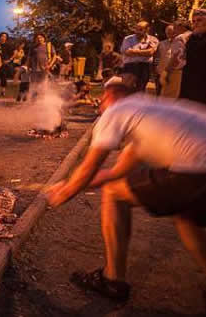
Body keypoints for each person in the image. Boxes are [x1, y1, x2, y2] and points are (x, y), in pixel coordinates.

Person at [45, 82, 206, 303]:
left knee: (113, 193)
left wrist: (63, 194)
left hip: (196, 171)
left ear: (111, 96)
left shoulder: (117, 111)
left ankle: (112, 280)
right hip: (198, 168)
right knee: (186, 216)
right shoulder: (148, 111)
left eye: (102, 99)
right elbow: (113, 172)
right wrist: (71, 183)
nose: (100, 105)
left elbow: (90, 166)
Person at [120, 21, 158, 92]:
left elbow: (150, 52)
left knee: (141, 89)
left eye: (140, 29)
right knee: (127, 88)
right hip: (130, 66)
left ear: (147, 30)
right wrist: (144, 52)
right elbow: (127, 52)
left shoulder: (153, 40)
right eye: (136, 29)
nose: (137, 31)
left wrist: (134, 51)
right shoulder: (128, 39)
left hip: (145, 67)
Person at [179, 9, 206, 105]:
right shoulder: (192, 38)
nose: (196, 23)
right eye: (193, 21)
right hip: (189, 80)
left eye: (199, 20)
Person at [160, 19, 190, 99]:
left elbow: (177, 57)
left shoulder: (180, 38)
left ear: (181, 26)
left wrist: (166, 71)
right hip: (190, 72)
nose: (174, 30)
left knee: (168, 97)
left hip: (177, 71)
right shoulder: (193, 35)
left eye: (175, 27)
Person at [27, 33, 55, 98]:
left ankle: (43, 99)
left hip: (45, 68)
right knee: (34, 84)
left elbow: (54, 56)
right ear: (35, 39)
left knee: (43, 83)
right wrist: (28, 67)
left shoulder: (49, 46)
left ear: (44, 38)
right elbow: (29, 58)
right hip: (34, 68)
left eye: (41, 37)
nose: (39, 39)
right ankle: (33, 99)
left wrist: (50, 65)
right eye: (37, 38)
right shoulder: (32, 47)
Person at [154, 25, 175, 95]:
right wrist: (156, 68)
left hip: (173, 72)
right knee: (158, 91)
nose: (169, 34)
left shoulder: (179, 44)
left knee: (170, 92)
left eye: (171, 32)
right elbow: (156, 57)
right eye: (167, 33)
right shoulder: (161, 43)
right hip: (160, 71)